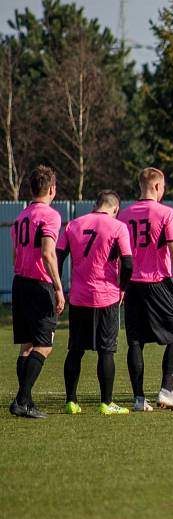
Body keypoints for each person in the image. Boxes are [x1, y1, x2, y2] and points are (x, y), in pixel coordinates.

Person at [119, 167, 173, 412]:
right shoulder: (166, 213)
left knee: (135, 341)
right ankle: (167, 390)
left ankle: (139, 399)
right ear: (158, 187)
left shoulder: (124, 215)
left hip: (132, 285)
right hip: (159, 281)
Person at [56, 191, 132, 415]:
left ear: (95, 205)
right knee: (106, 351)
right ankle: (106, 403)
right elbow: (128, 263)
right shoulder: (118, 227)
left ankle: (71, 401)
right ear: (115, 209)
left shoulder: (73, 225)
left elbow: (58, 256)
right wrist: (123, 288)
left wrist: (57, 286)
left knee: (75, 350)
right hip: (106, 296)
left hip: (79, 296)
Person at [9, 165, 65, 419]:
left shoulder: (20, 217)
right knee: (44, 345)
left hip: (19, 281)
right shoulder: (50, 215)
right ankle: (22, 400)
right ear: (52, 189)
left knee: (26, 346)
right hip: (38, 285)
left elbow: (15, 255)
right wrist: (58, 287)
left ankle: (27, 402)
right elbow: (47, 253)